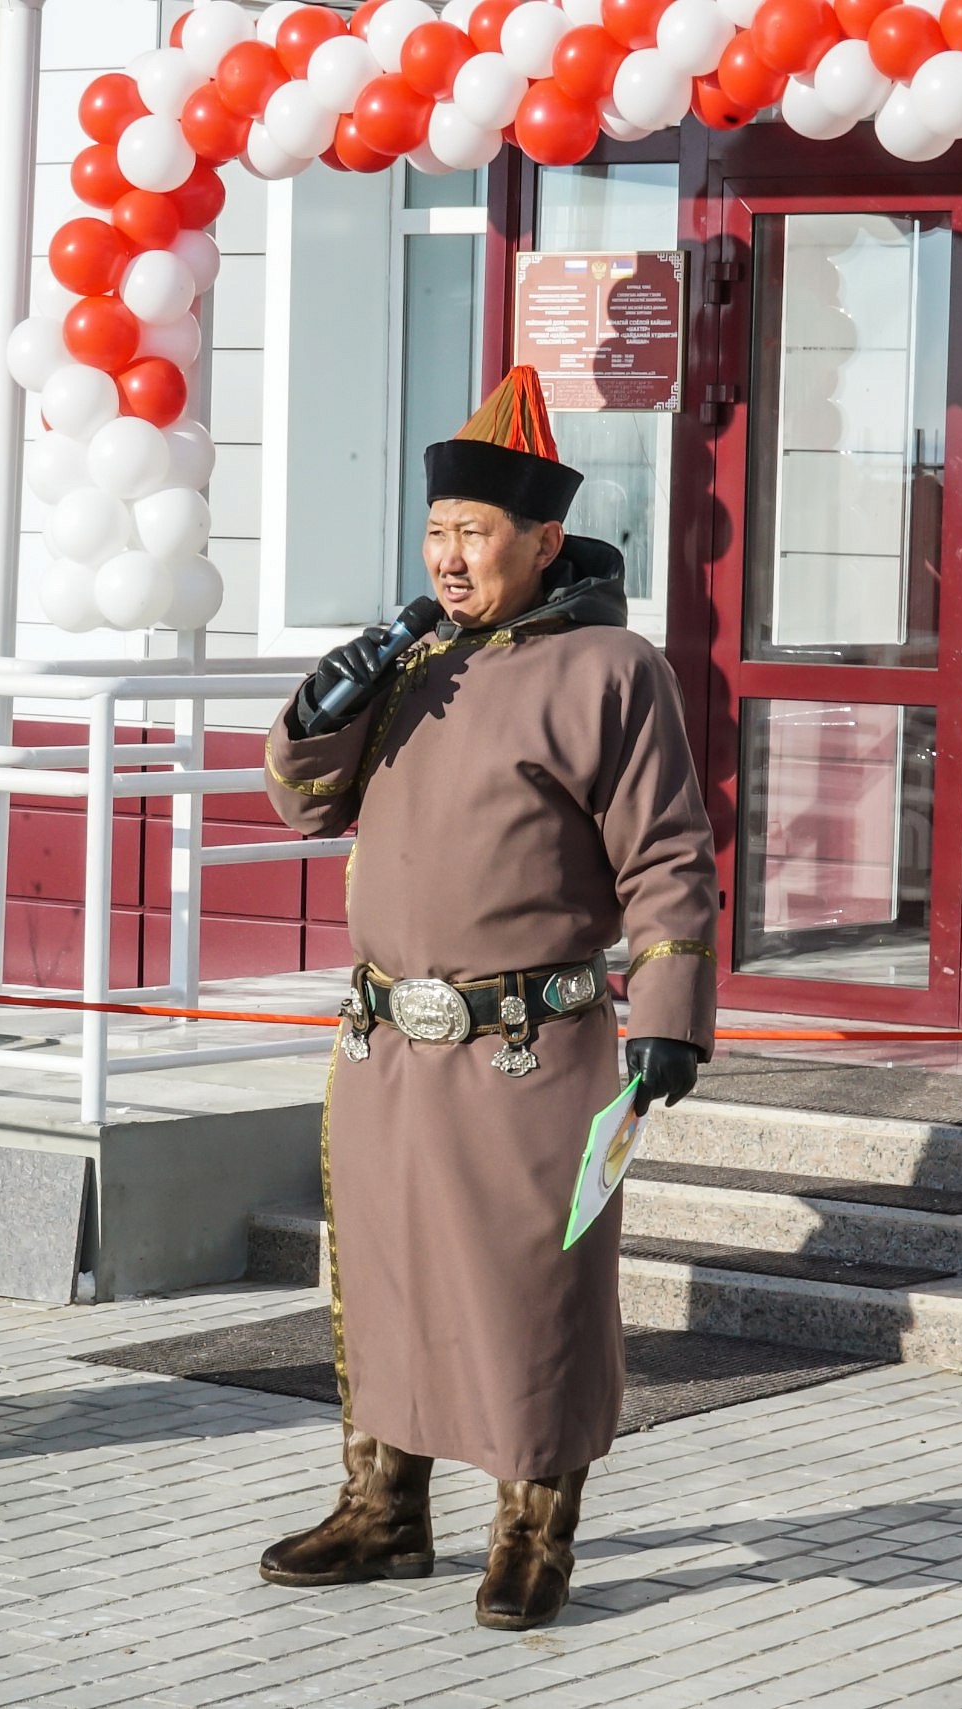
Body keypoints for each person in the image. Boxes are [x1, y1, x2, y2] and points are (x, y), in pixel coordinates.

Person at [259, 369, 719, 1628]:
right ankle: (382, 1511)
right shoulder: (416, 662)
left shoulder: (613, 670)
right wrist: (320, 710)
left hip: (530, 1045)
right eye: (435, 534)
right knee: (387, 1276)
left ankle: (532, 1532)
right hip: (386, 1043)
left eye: (473, 534)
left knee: (533, 1288)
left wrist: (670, 1018)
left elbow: (669, 855)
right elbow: (303, 804)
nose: (450, 559)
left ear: (542, 539)